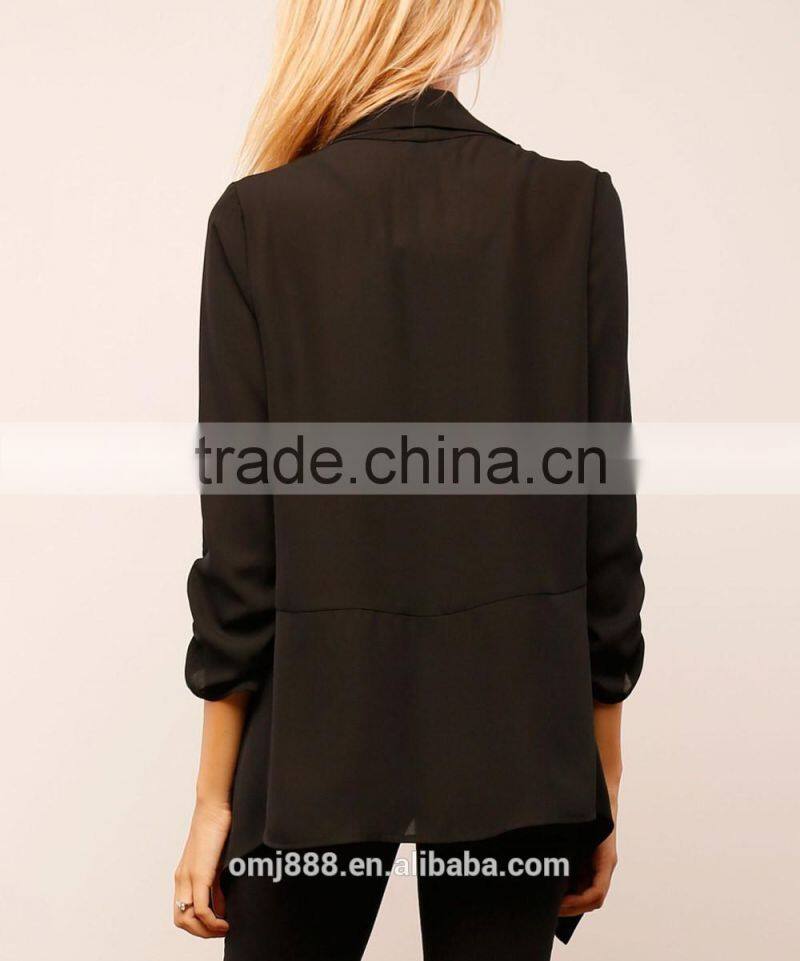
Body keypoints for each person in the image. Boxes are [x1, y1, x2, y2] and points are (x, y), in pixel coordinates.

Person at [174, 1, 645, 958]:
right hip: (520, 747)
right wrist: (600, 778)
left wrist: (213, 798)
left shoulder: (259, 220)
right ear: (465, 23)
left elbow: (242, 551)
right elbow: (604, 522)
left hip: (310, 745)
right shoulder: (573, 207)